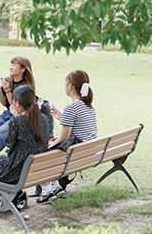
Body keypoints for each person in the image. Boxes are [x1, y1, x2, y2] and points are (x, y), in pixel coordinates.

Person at [36, 69, 97, 204]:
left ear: (70, 86)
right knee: (52, 146)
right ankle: (55, 187)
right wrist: (61, 117)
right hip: (87, 153)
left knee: (41, 153)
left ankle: (46, 190)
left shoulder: (72, 108)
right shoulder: (89, 107)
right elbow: (80, 129)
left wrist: (49, 145)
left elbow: (64, 138)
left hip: (75, 155)